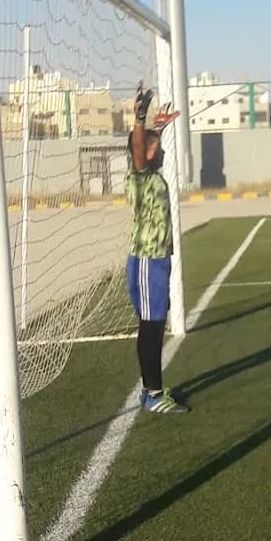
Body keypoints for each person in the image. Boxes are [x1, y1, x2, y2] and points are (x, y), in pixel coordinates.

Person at [125, 82, 190, 413]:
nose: (160, 147)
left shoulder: (152, 174)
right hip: (148, 262)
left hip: (156, 262)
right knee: (151, 327)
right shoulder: (140, 175)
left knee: (152, 325)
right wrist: (140, 120)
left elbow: (147, 147)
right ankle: (152, 394)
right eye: (155, 144)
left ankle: (151, 390)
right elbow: (139, 151)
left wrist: (158, 127)